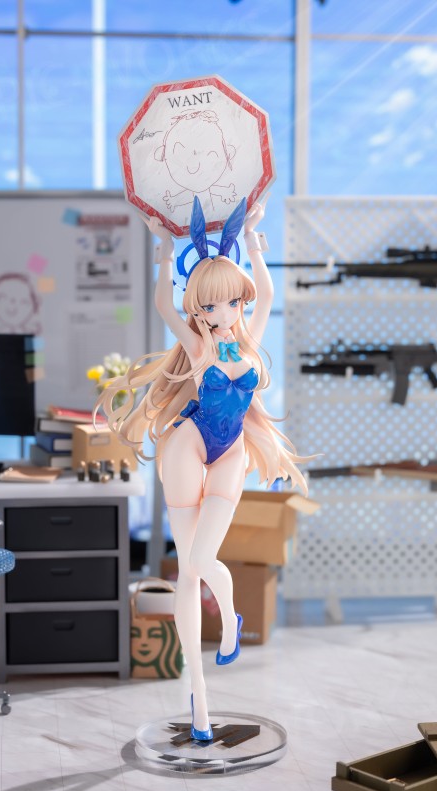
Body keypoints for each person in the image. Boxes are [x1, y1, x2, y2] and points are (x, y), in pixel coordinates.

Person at [94, 195, 311, 741]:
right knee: (190, 572)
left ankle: (230, 616)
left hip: (229, 449)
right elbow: (164, 307)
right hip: (188, 447)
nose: (222, 312)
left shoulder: (251, 337)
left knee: (199, 558)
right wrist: (163, 254)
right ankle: (199, 702)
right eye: (210, 306)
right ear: (199, 309)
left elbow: (266, 292)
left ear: (240, 300)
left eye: (230, 302)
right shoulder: (196, 344)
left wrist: (255, 239)